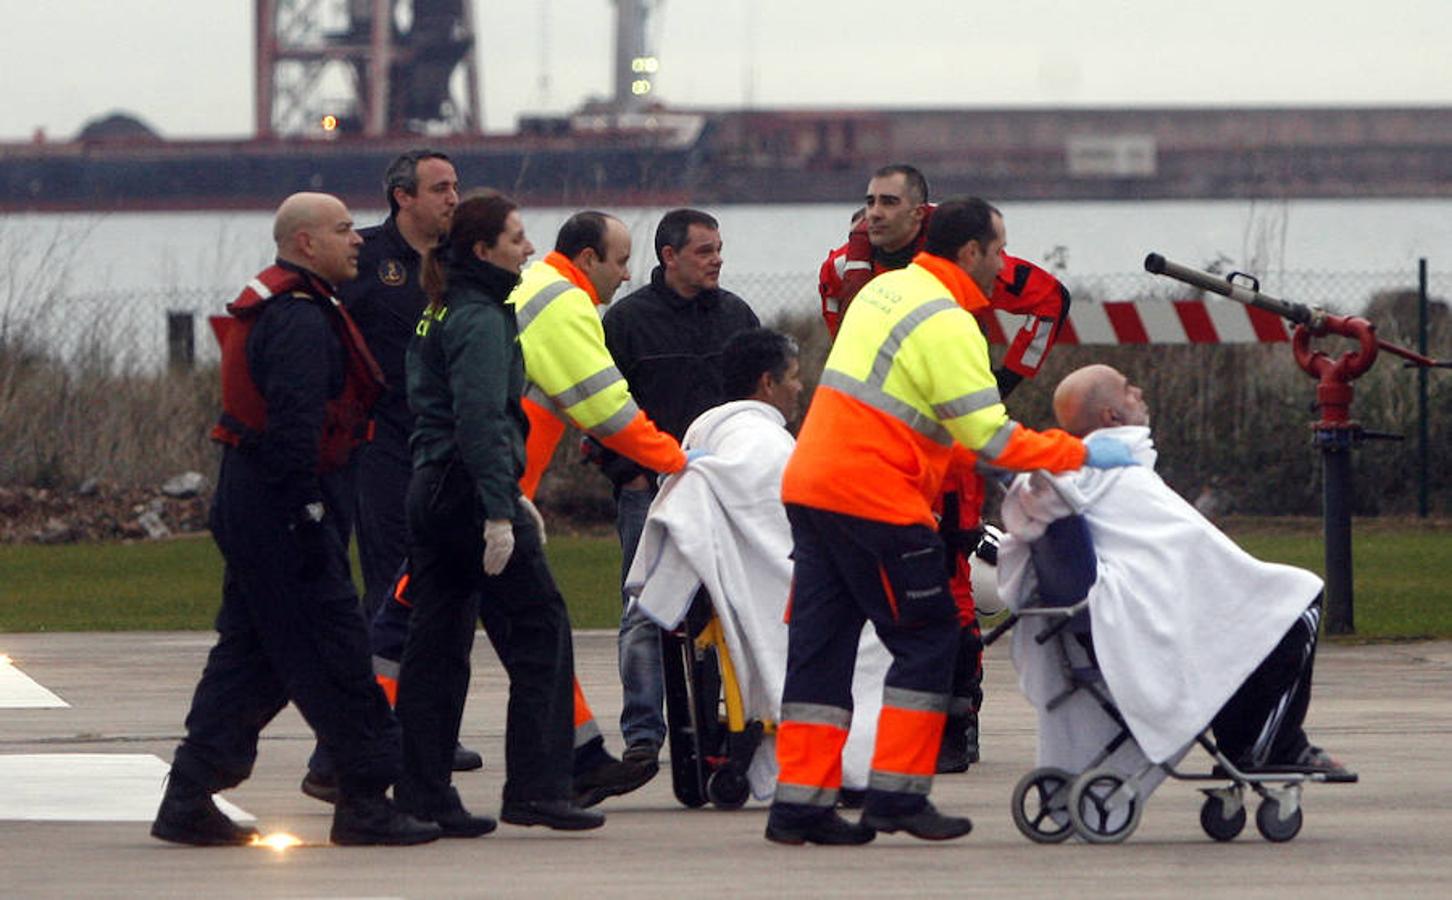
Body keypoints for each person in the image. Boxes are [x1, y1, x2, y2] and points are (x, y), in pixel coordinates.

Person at [766, 197, 1137, 846]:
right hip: (874, 498)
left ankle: (800, 804)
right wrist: (1078, 451)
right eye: (998, 250)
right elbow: (988, 436)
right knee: (932, 635)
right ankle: (898, 795)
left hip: (812, 487)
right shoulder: (949, 321)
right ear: (970, 253)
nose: (1003, 266)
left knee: (820, 652)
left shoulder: (885, 295)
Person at [362, 210, 683, 809]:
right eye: (620, 259)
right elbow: (605, 407)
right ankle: (357, 749)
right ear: (588, 259)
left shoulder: (481, 299)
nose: (627, 272)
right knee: (514, 629)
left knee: (467, 628)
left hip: (464, 485)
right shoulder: (556, 301)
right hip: (481, 494)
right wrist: (680, 463)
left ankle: (573, 758)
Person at [151, 192, 440, 847]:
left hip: (257, 507)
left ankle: (187, 797)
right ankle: (365, 800)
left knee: (253, 655)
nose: (357, 240)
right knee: (336, 649)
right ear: (306, 244)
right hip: (285, 513)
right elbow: (295, 432)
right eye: (343, 231)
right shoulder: (302, 322)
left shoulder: (297, 310)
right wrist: (310, 517)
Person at [819, 163, 1075, 773]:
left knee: (951, 581)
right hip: (875, 452)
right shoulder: (841, 270)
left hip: (946, 449)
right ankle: (875, 726)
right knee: (858, 591)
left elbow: (1049, 300)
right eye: (869, 201)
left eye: (889, 203)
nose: (875, 213)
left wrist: (1007, 381)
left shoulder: (967, 258)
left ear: (919, 214)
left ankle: (957, 723)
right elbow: (842, 337)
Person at [998, 364, 1351, 778]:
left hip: (1113, 616)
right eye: (1128, 390)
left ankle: (1249, 745)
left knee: (1264, 617)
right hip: (1146, 619)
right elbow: (1194, 553)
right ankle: (1274, 748)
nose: (1140, 392)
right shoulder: (1118, 474)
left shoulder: (1079, 477)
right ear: (1111, 417)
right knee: (1300, 598)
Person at [393, 191, 603, 836]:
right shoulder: (482, 317)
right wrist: (499, 510)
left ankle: (423, 793)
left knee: (438, 648)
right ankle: (538, 789)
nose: (530, 249)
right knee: (541, 632)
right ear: (483, 251)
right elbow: (481, 421)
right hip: (466, 495)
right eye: (517, 239)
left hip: (430, 487)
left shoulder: (440, 306)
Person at [625, 328, 892, 805]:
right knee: (876, 633)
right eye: (793, 377)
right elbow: (784, 532)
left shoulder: (709, 426)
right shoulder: (764, 443)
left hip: (745, 573)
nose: (800, 388)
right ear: (767, 384)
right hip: (778, 583)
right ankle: (854, 764)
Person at [301, 149, 482, 804]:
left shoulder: (458, 264)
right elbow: (318, 335)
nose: (452, 199)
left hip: (443, 451)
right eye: (439, 188)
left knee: (447, 600)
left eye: (456, 187)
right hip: (381, 450)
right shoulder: (365, 260)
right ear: (403, 197)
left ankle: (430, 731)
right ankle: (348, 746)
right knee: (392, 596)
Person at [600, 208, 760, 765]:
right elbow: (599, 407)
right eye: (703, 250)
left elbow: (759, 400)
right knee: (645, 609)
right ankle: (644, 735)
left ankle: (718, 725)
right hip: (649, 490)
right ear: (669, 257)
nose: (717, 259)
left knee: (726, 608)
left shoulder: (738, 316)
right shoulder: (626, 322)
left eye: (719, 248)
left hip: (723, 492)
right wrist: (631, 475)